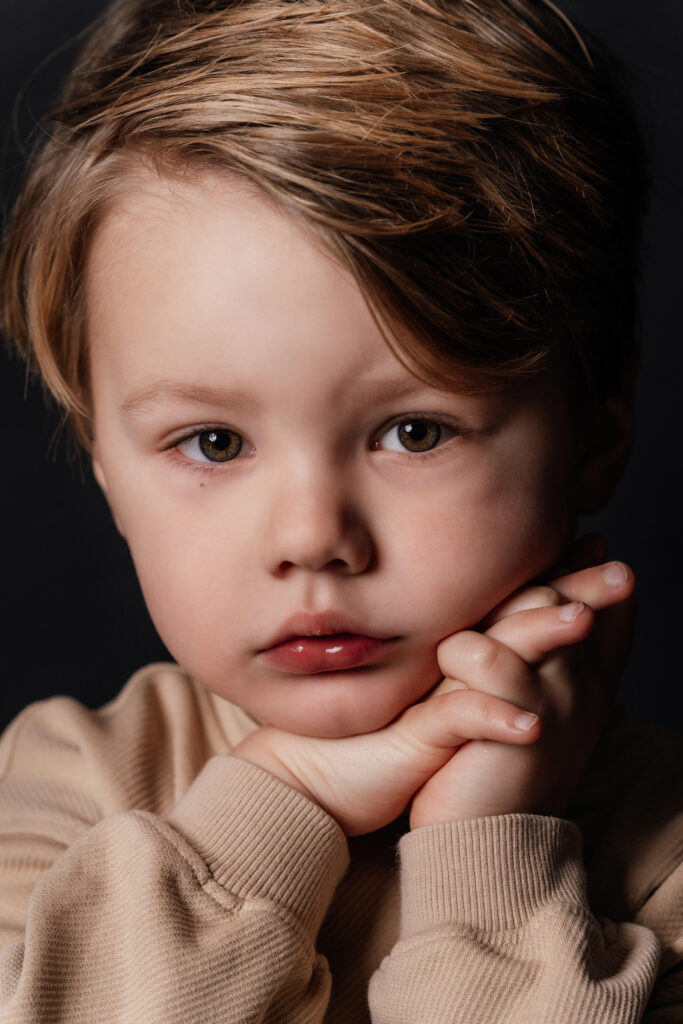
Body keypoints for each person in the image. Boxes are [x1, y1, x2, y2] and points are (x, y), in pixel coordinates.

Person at [0, 0, 680, 1020]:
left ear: (593, 431)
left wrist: (484, 854)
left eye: (414, 431)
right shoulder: (63, 781)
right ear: (103, 462)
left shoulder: (661, 849)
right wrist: (285, 797)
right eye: (214, 443)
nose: (313, 537)